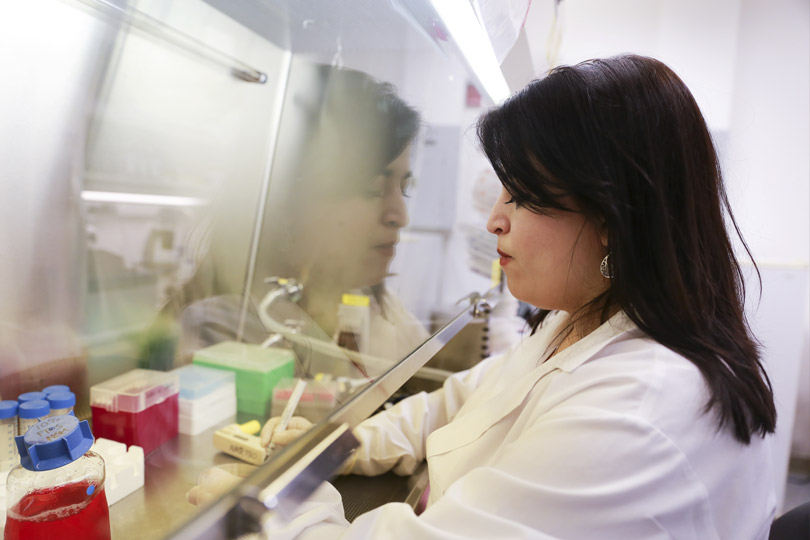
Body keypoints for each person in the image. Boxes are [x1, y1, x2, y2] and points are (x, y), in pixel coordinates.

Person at [196, 54, 778, 539]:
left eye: (522, 196)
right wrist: (345, 444)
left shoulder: (639, 412)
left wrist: (280, 501)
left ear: (611, 217)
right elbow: (465, 401)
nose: (493, 220)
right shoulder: (581, 322)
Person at [141, 64, 428, 374]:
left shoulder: (369, 303)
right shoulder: (219, 331)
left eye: (404, 189)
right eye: (373, 189)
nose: (400, 216)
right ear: (288, 201)